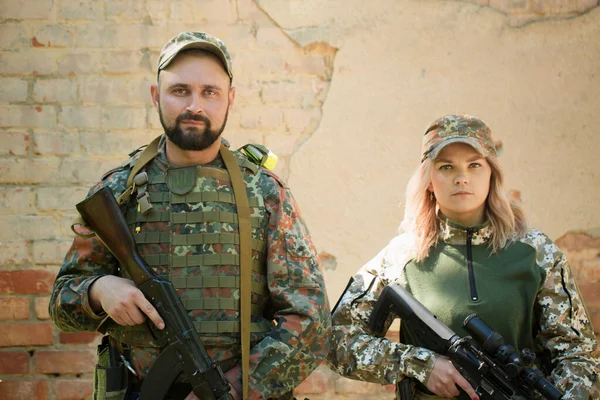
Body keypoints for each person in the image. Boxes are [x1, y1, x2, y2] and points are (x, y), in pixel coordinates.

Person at [49, 31, 331, 400]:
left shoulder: (264, 193)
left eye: (209, 92)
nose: (194, 105)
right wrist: (99, 290)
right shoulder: (121, 190)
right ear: (156, 96)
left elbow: (312, 321)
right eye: (180, 90)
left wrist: (235, 388)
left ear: (230, 99)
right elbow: (61, 305)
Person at [327, 114, 600, 400]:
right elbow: (337, 340)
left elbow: (577, 355)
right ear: (428, 179)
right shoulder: (401, 257)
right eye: (446, 167)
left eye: (474, 165)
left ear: (491, 174)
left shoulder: (536, 253)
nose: (462, 178)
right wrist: (421, 364)